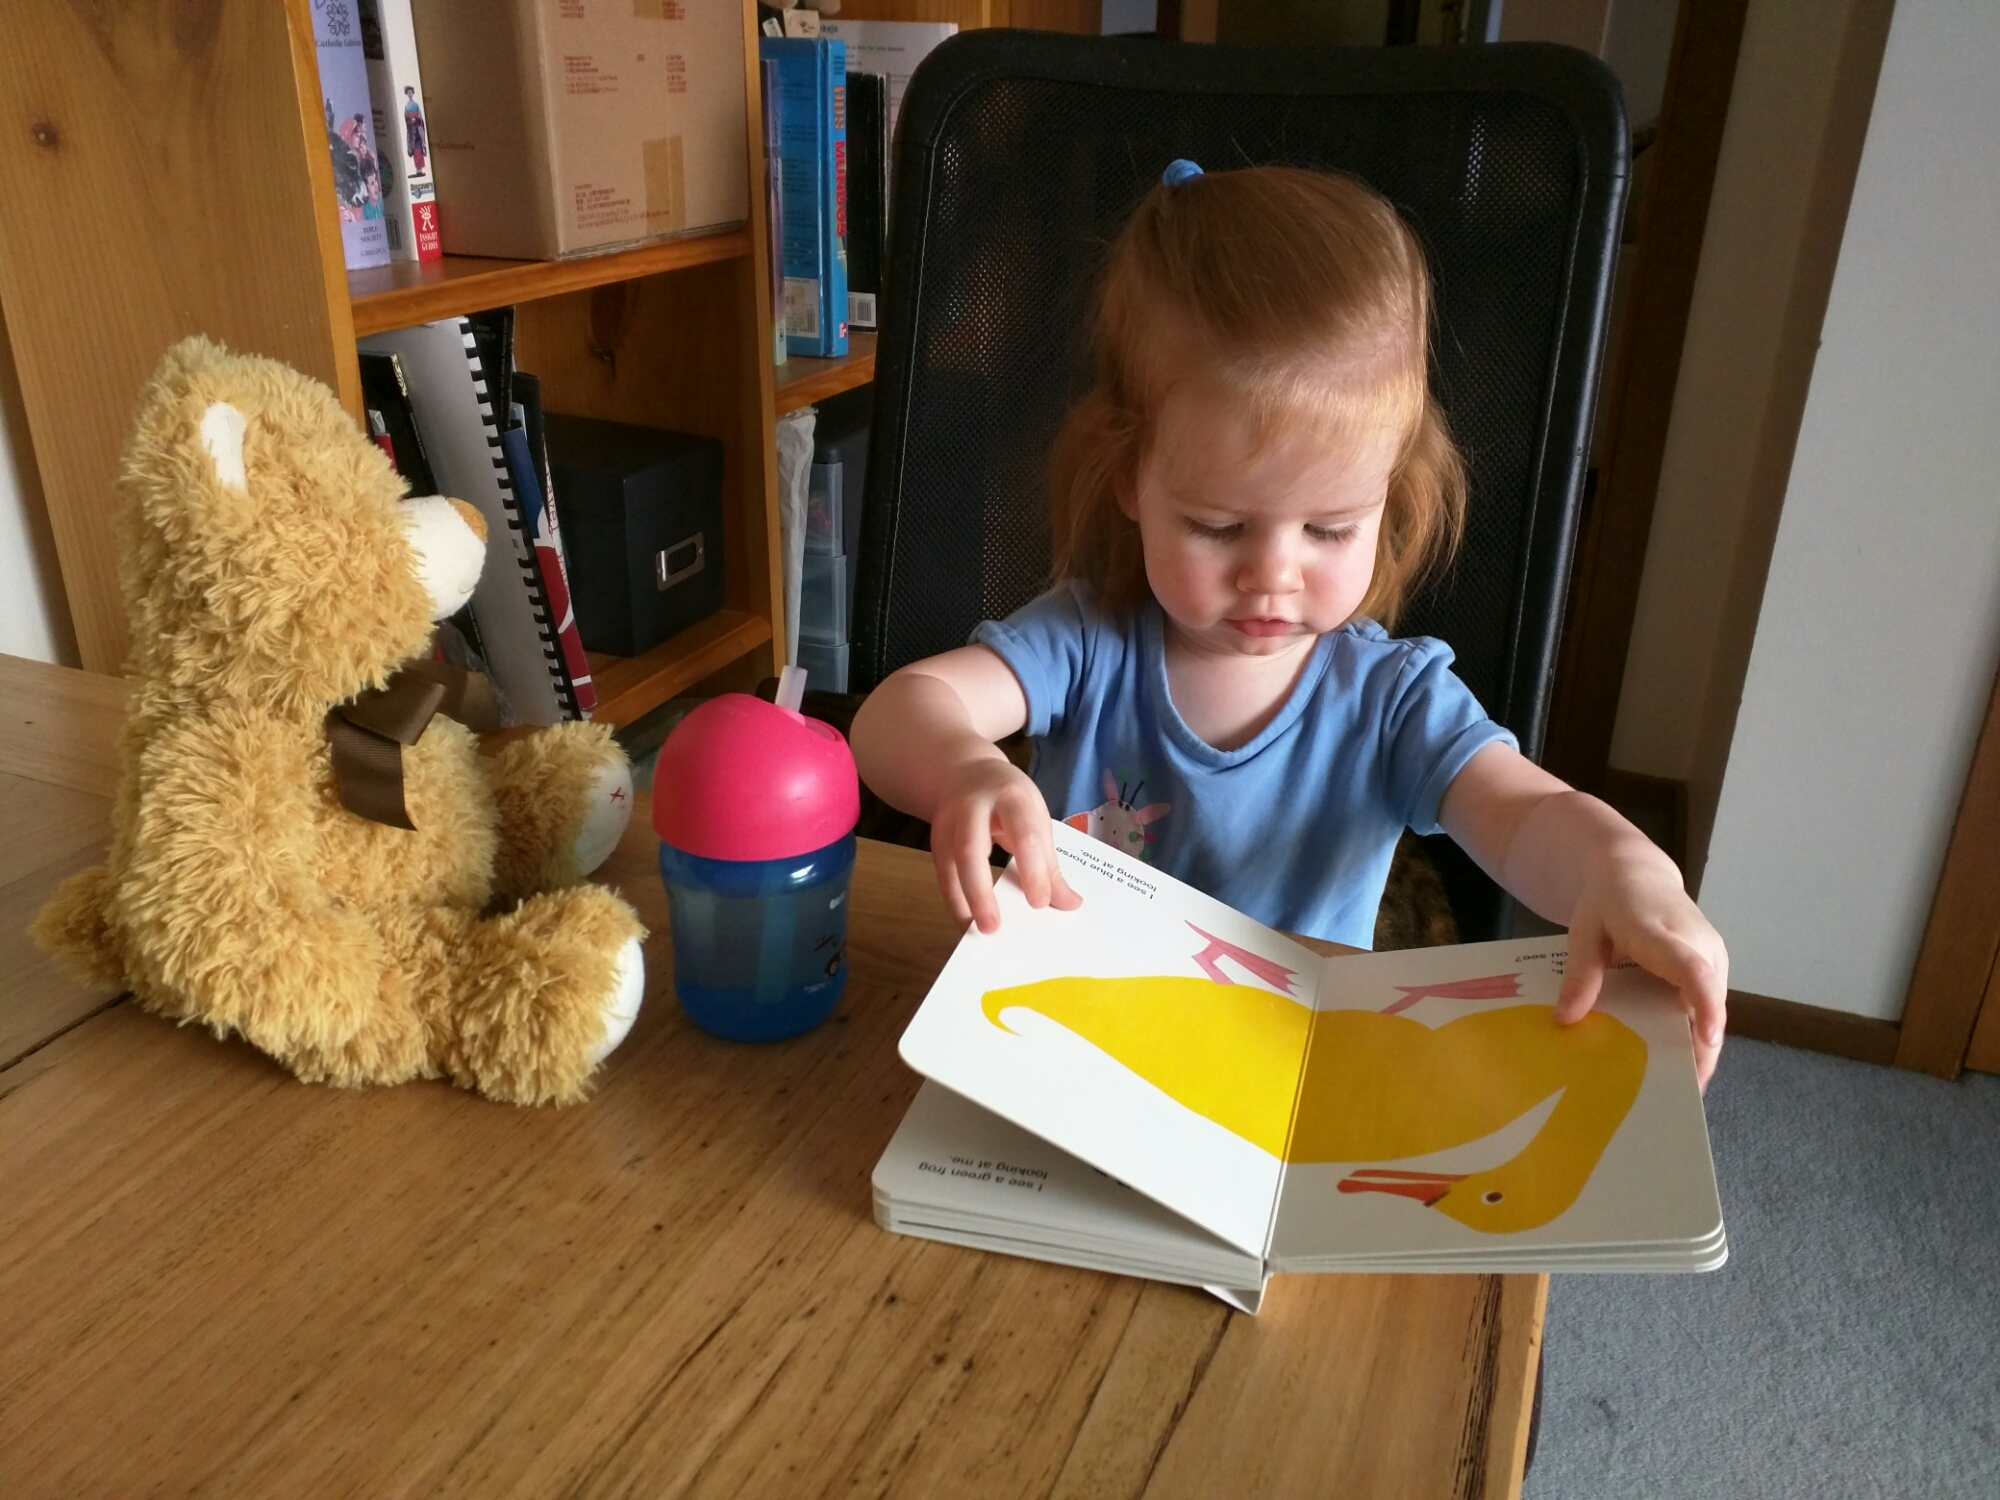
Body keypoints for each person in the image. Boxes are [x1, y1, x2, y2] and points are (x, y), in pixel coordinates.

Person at [849, 161, 1729, 1086]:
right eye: (1218, 526)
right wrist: (965, 767)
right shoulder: (1084, 641)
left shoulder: (1393, 701)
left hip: (1288, 1079)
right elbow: (898, 712)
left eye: (1330, 529)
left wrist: (1625, 871)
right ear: (1129, 479)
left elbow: (1527, 817)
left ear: (1388, 497)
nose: (1273, 573)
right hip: (1079, 1045)